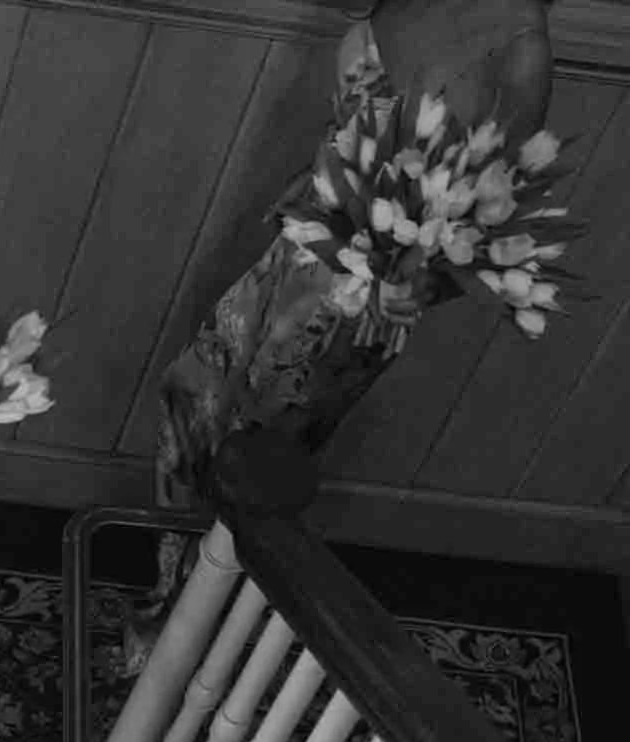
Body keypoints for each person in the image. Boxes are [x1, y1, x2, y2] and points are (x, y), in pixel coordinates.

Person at [140, 0, 554, 634]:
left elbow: (491, 218)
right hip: (299, 250)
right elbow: (361, 124)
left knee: (244, 461)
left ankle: (181, 626)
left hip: (354, 307)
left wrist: (417, 288)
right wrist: (314, 183)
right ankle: (167, 593)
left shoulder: (521, 49)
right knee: (189, 402)